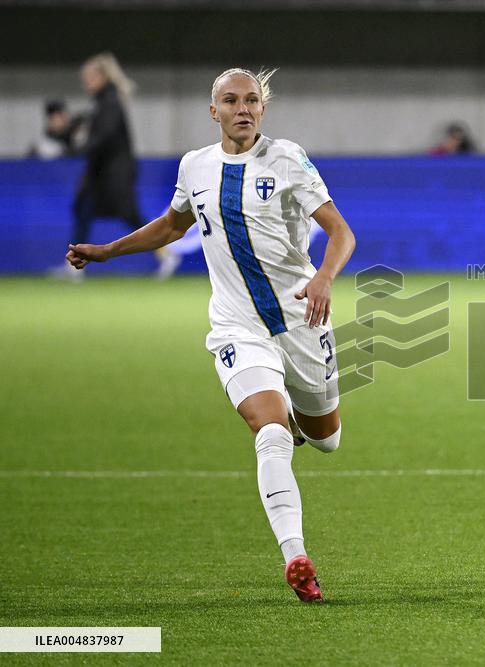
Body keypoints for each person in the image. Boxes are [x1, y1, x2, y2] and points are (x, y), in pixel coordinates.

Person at [66, 67, 357, 603]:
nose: (242, 108)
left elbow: (342, 232)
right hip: (236, 328)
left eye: (251, 100)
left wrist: (323, 277)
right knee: (270, 433)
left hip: (301, 321)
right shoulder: (194, 166)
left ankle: (299, 419)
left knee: (326, 439)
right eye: (231, 100)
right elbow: (172, 225)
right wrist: (108, 250)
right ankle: (297, 558)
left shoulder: (288, 158)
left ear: (262, 110)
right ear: (214, 110)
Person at [56, 52, 179, 280]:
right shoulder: (100, 103)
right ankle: (72, 266)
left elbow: (103, 138)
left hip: (113, 176)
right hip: (103, 174)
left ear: (102, 77)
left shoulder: (110, 103)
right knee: (84, 211)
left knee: (130, 217)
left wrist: (76, 148)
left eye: (90, 77)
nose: (86, 82)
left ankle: (167, 252)